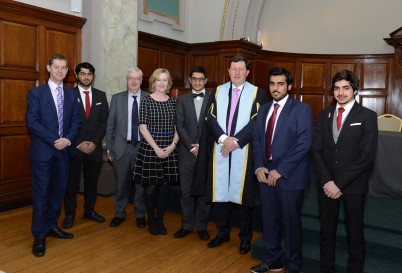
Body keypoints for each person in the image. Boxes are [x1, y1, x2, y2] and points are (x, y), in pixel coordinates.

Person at [312, 70, 378, 273]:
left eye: (346, 88)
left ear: (355, 90)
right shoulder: (324, 115)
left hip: (353, 185)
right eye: (337, 88)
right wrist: (326, 181)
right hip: (326, 185)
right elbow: (316, 150)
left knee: (355, 233)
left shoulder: (367, 116)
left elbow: (366, 156)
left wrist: (338, 184)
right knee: (326, 233)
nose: (340, 93)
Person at [250, 67, 313, 273]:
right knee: (269, 220)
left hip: (290, 176)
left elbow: (304, 143)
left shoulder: (301, 109)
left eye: (280, 84)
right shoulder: (264, 109)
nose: (275, 88)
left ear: (289, 86)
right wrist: (259, 165)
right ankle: (273, 261)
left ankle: (293, 265)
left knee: (291, 222)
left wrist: (281, 170)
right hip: (266, 174)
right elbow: (257, 139)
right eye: (272, 84)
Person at [205, 55, 267, 255]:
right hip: (221, 149)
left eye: (241, 69)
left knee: (243, 197)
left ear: (247, 72)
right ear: (228, 71)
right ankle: (222, 233)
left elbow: (257, 121)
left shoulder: (258, 93)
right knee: (221, 194)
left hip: (244, 151)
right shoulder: (218, 91)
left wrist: (235, 142)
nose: (237, 72)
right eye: (234, 69)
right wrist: (224, 139)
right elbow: (210, 117)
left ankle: (245, 238)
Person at [26, 54, 81, 257]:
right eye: (56, 67)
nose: (60, 70)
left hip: (64, 152)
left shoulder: (70, 95)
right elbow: (32, 123)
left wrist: (67, 139)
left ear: (67, 71)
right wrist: (55, 139)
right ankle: (39, 235)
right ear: (48, 68)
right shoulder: (36, 94)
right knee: (41, 195)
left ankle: (51, 226)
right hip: (43, 152)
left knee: (58, 193)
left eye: (64, 67)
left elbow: (76, 122)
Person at [62, 62, 109, 228]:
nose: (86, 77)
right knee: (71, 183)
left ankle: (89, 211)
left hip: (94, 148)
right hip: (74, 147)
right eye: (83, 74)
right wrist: (78, 143)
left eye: (89, 74)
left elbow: (104, 123)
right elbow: (65, 123)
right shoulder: (68, 95)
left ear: (93, 76)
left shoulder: (100, 96)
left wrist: (95, 143)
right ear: (76, 76)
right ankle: (70, 214)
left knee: (91, 182)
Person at [133, 68, 179, 235]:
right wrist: (157, 148)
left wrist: (173, 145)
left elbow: (178, 127)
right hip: (151, 147)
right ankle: (151, 219)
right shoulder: (146, 100)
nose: (161, 83)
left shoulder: (174, 102)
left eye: (165, 80)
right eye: (158, 80)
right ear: (153, 82)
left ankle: (160, 218)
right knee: (151, 187)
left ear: (169, 83)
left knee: (165, 186)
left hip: (169, 146)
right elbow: (143, 128)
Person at [106, 67, 148, 228]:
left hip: (142, 148)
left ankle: (139, 214)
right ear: (127, 80)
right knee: (121, 184)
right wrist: (109, 148)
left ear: (141, 80)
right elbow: (110, 126)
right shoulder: (117, 99)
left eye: (137, 78)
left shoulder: (148, 98)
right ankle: (119, 213)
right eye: (130, 78)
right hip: (121, 148)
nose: (133, 81)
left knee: (140, 185)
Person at [173, 66, 211, 241]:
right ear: (189, 79)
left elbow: (214, 126)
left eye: (200, 79)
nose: (197, 82)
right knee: (186, 191)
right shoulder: (181, 100)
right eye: (194, 79)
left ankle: (202, 226)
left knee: (204, 192)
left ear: (205, 80)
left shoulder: (213, 99)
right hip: (187, 153)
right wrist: (191, 146)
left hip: (206, 153)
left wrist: (202, 147)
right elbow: (179, 125)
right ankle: (187, 225)